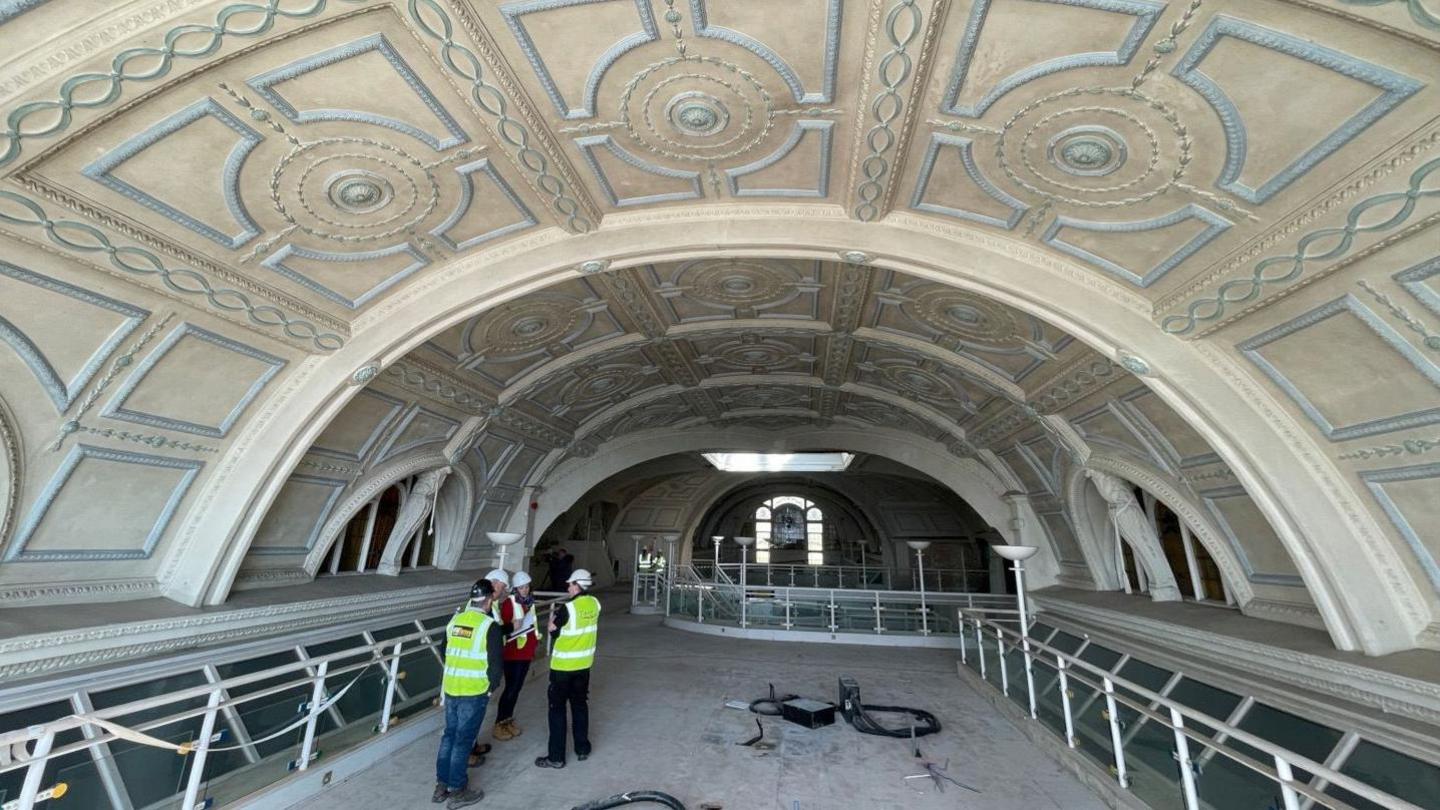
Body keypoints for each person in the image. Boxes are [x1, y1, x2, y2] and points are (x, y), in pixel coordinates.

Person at [433, 579, 502, 808]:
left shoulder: (455, 621)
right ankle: (458, 789)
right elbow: (495, 664)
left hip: (452, 688)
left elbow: (444, 651)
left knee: (449, 737)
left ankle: (441, 785)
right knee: (463, 741)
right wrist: (491, 687)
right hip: (474, 692)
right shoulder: (489, 626)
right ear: (489, 599)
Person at [534, 569, 600, 769]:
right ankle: (582, 748)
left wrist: (552, 625)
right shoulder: (595, 604)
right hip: (583, 666)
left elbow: (554, 634)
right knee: (580, 706)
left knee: (557, 710)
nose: (568, 587)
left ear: (578, 585)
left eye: (571, 584)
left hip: (563, 668)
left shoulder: (567, 609)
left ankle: (556, 757)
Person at [491, 570, 539, 741]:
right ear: (515, 589)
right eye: (522, 587)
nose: (525, 590)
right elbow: (503, 629)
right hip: (513, 653)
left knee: (516, 688)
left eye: (527, 587)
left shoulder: (527, 602)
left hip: (524, 652)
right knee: (511, 689)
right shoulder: (510, 604)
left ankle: (507, 720)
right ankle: (500, 723)